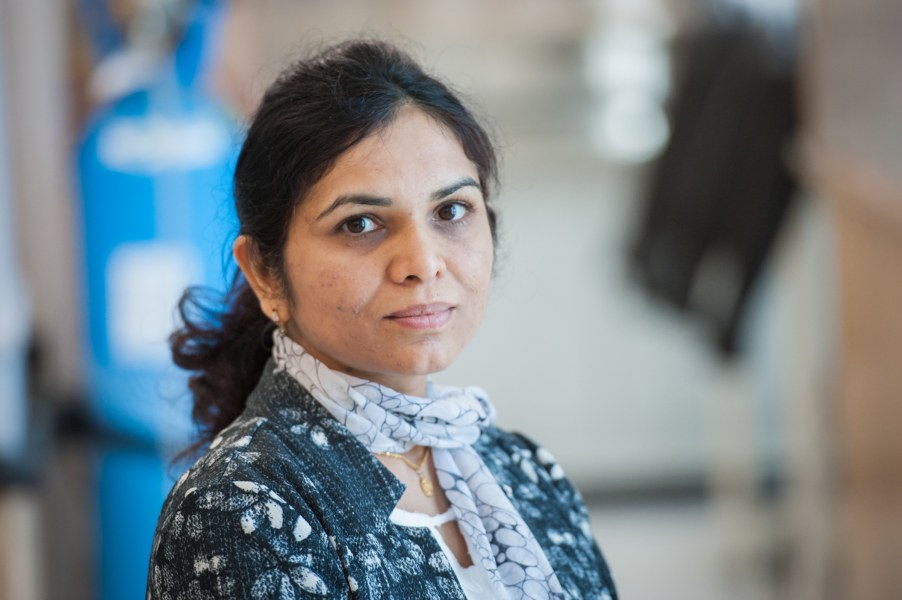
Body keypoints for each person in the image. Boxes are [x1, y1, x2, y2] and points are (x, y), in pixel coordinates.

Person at [147, 39, 618, 600]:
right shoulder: (241, 507)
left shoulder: (523, 468)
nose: (422, 263)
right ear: (266, 274)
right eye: (360, 224)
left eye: (451, 212)